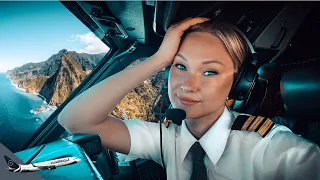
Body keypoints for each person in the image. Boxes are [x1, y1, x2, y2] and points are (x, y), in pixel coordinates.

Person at [58, 17, 320, 180]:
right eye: (180, 67)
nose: (187, 86)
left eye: (210, 72)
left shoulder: (275, 149)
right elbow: (77, 121)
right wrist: (157, 59)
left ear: (240, 84)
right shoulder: (165, 138)